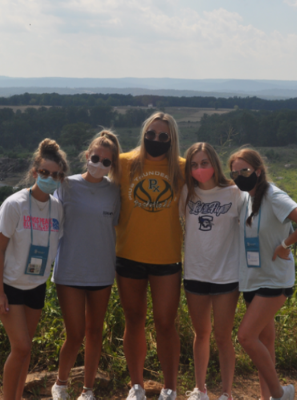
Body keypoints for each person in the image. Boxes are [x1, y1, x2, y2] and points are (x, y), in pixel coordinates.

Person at [115, 111, 185, 400]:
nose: (156, 139)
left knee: (166, 324)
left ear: (172, 140)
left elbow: (215, 185)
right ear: (144, 134)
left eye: (163, 136)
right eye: (151, 134)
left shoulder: (181, 168)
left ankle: (170, 388)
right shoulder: (124, 164)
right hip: (129, 254)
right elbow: (89, 181)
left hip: (167, 258)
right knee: (134, 320)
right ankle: (137, 387)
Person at [51, 130, 121, 400]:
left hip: (102, 271)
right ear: (86, 155)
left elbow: (117, 227)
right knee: (75, 333)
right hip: (69, 269)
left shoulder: (115, 191)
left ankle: (88, 389)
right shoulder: (65, 185)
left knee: (95, 332)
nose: (100, 164)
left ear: (113, 165)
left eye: (107, 162)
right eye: (96, 158)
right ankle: (61, 383)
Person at [0, 139, 67, 400]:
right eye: (45, 173)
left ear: (61, 177)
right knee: (21, 346)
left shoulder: (57, 208)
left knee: (25, 351)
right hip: (10, 286)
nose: (50, 178)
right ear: (35, 172)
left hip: (36, 285)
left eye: (56, 175)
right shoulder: (14, 204)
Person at [229, 148, 296, 400]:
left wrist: (285, 245)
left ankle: (280, 393)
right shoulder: (246, 196)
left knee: (246, 337)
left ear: (258, 171)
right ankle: (266, 397)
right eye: (235, 172)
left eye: (244, 171)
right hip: (253, 280)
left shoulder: (273, 195)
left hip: (274, 279)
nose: (239, 176)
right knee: (264, 342)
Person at [179, 142, 244, 400]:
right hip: (195, 272)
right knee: (201, 334)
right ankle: (200, 389)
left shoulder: (234, 193)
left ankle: (226, 392)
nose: (199, 169)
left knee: (222, 336)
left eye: (204, 163)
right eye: (194, 165)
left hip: (226, 274)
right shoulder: (186, 192)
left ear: (214, 164)